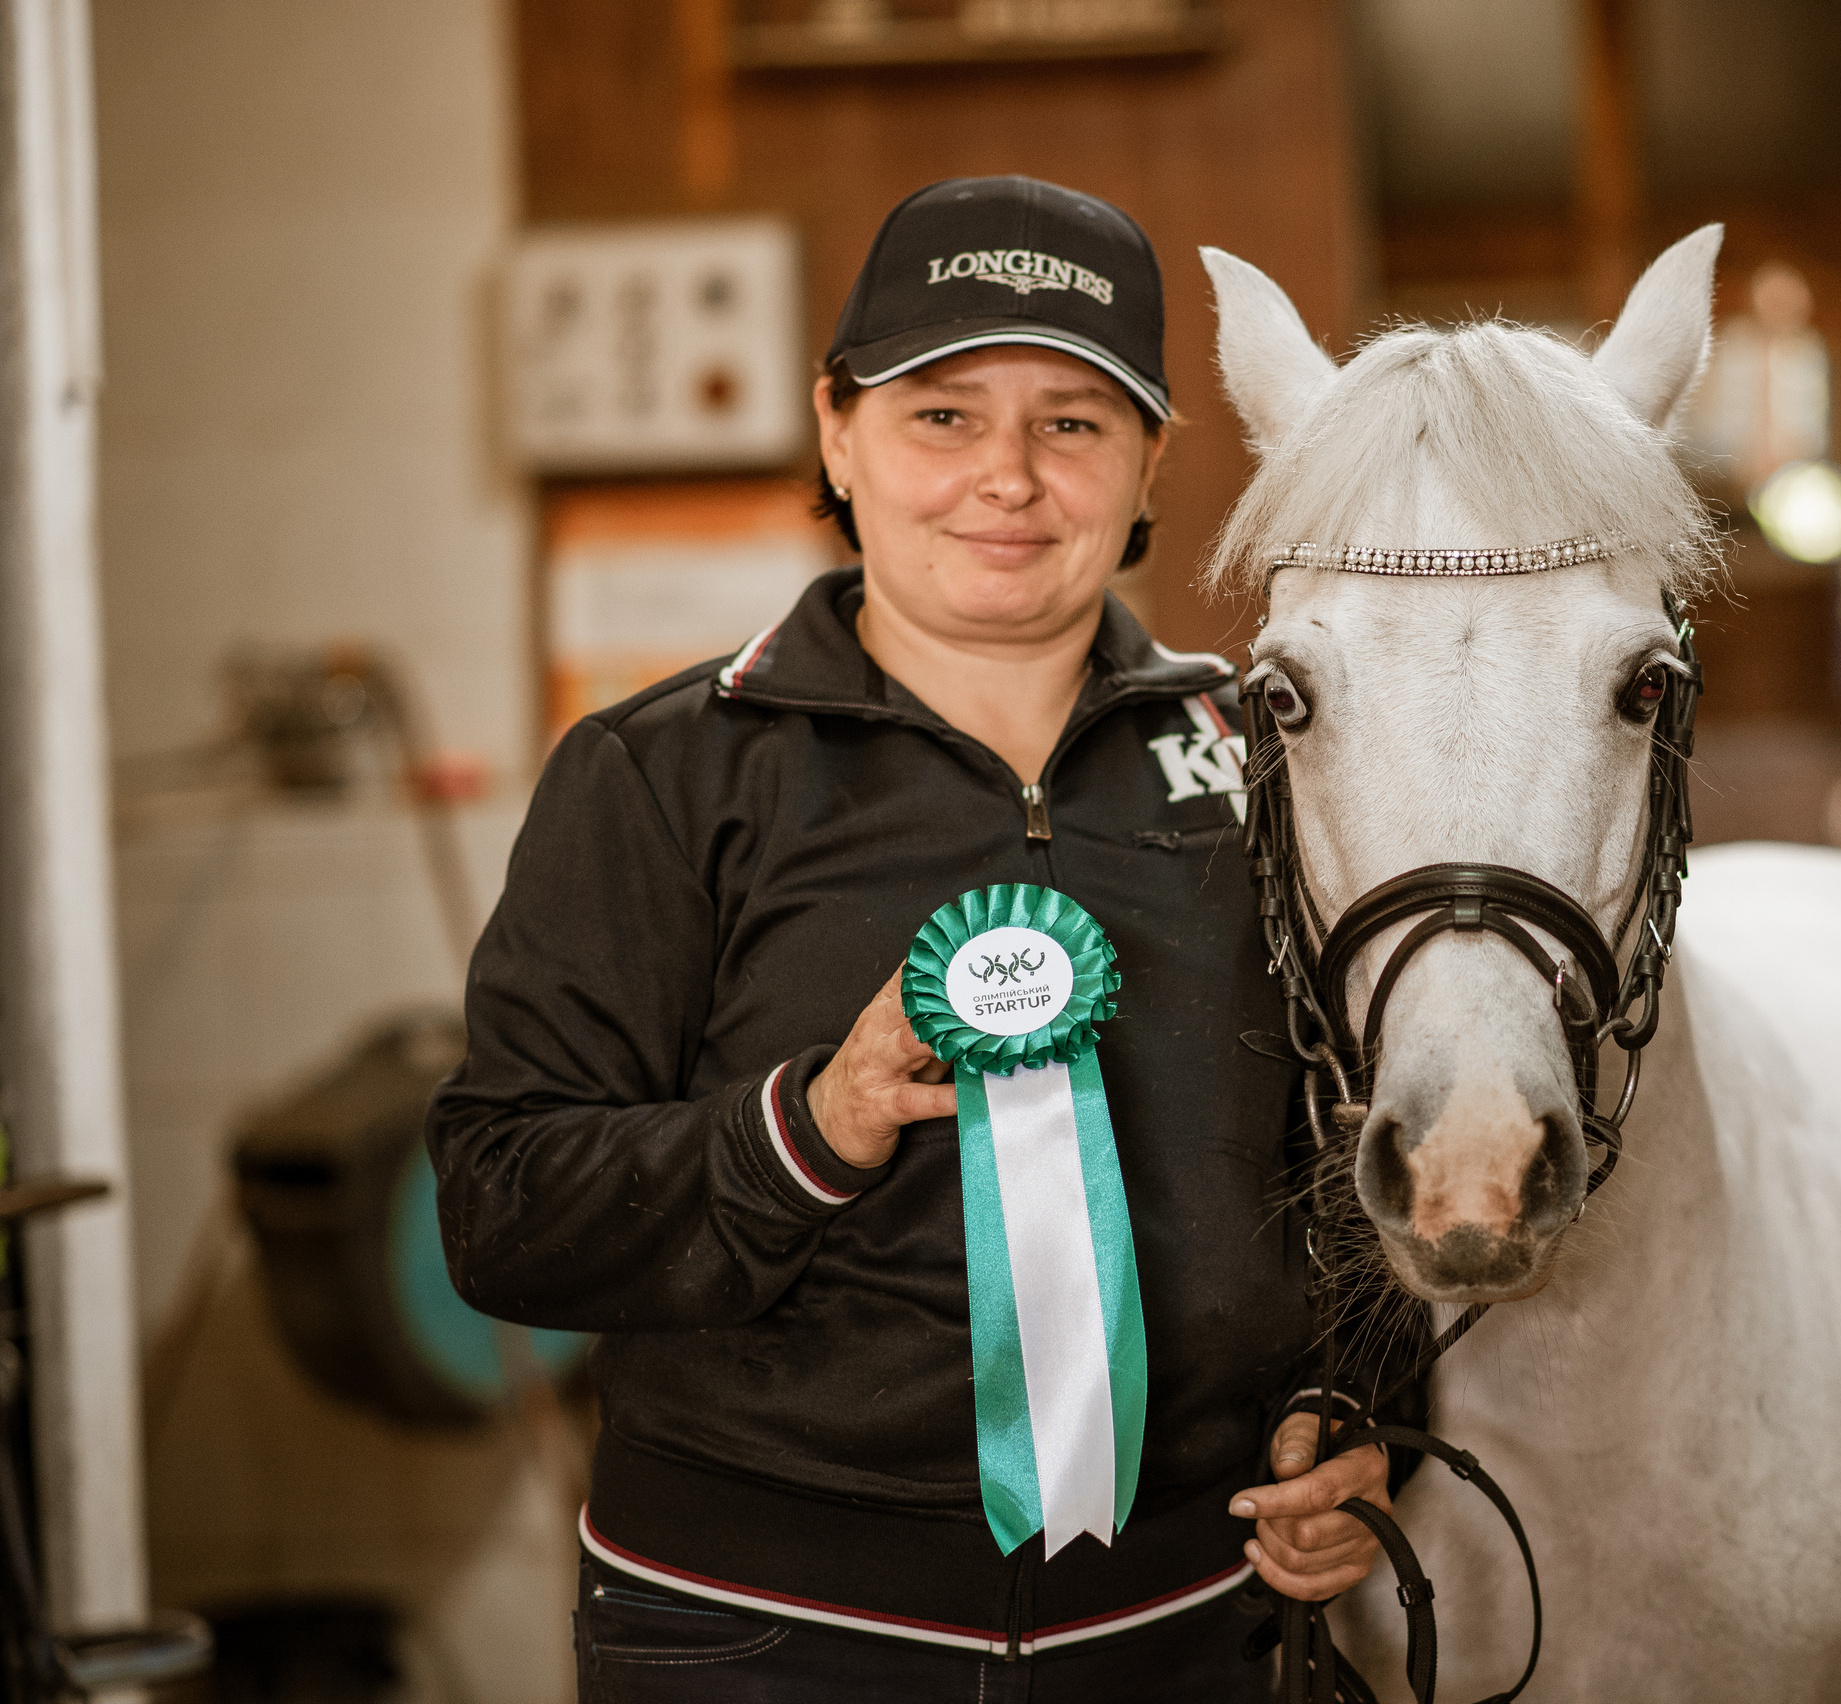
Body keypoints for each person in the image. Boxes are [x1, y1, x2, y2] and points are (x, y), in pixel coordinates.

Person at [427, 176, 1389, 1702]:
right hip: (762, 1633)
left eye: (1073, 422)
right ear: (837, 434)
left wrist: (1356, 1418)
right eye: (943, 415)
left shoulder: (1278, 765)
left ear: (1149, 463)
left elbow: (1358, 1164)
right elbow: (499, 1207)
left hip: (1186, 1630)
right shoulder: (665, 773)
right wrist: (815, 1123)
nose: (1006, 476)